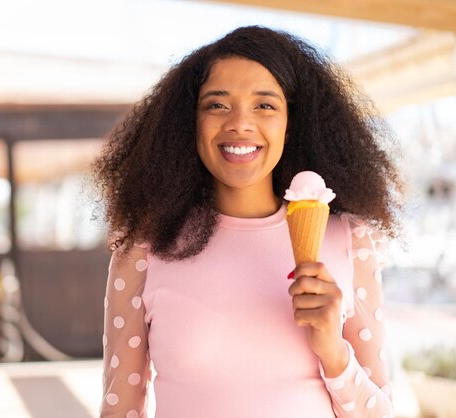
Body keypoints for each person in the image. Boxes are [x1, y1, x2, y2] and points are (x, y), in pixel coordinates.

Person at [92, 25, 403, 418]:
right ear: (191, 123)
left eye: (265, 105)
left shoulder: (349, 240)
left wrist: (333, 352)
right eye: (217, 105)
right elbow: (119, 410)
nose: (240, 123)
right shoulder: (144, 245)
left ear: (291, 125)